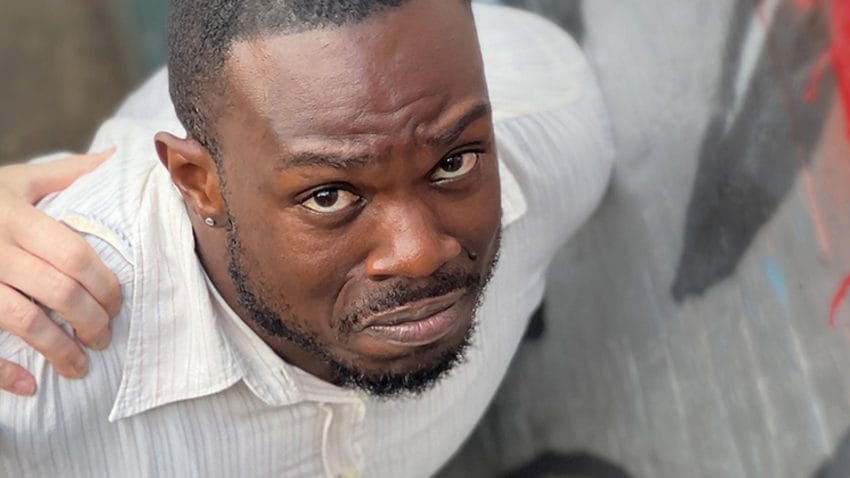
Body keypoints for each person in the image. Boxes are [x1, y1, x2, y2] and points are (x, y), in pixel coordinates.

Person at [0, 0, 613, 475]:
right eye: (330, 196)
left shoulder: (555, 133)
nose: (421, 253)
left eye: (453, 163)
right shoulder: (33, 365)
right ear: (198, 184)